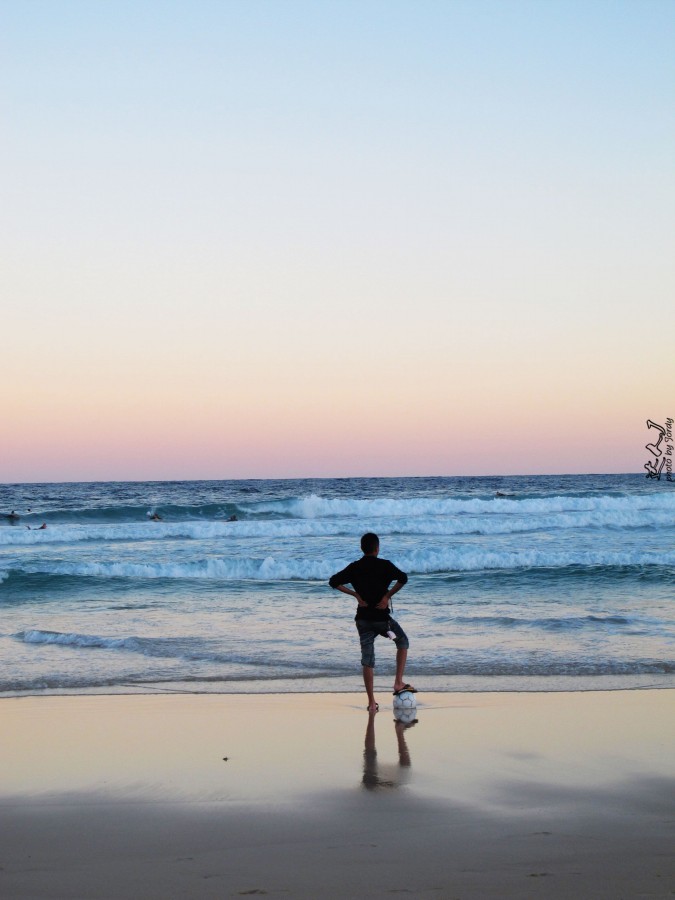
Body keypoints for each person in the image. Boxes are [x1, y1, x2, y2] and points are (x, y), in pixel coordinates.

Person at [329, 532, 415, 712]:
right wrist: (387, 596)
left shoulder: (355, 567)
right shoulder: (384, 565)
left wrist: (356, 595)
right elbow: (403, 579)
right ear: (377, 548)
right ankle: (398, 683)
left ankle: (371, 703)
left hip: (363, 621)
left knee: (367, 660)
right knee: (402, 642)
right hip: (383, 620)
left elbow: (333, 582)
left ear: (362, 548)